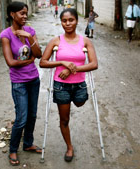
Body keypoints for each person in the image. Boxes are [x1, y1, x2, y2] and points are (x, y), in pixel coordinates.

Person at [40, 8, 98, 162]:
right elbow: (43, 62)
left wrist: (73, 69)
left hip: (79, 84)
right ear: (61, 22)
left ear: (76, 21)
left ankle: (75, 99)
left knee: (80, 102)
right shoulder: (56, 41)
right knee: (64, 119)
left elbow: (94, 64)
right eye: (64, 21)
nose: (68, 23)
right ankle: (69, 147)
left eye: (71, 20)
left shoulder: (85, 41)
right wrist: (61, 62)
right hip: (61, 86)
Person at [0, 1, 42, 166]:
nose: (25, 16)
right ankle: (13, 149)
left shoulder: (30, 31)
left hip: (34, 80)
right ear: (12, 14)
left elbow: (38, 54)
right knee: (22, 118)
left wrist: (29, 38)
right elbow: (10, 62)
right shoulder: (6, 35)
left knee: (32, 115)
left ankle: (28, 144)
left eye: (26, 13)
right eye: (22, 13)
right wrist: (29, 60)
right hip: (19, 83)